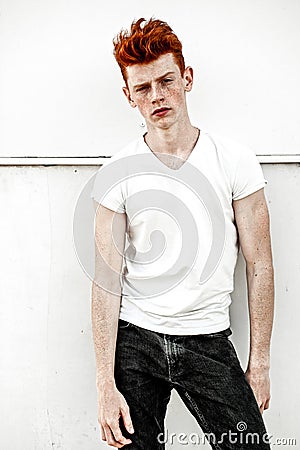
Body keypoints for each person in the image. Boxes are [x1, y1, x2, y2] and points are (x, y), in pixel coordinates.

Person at [90, 17, 274, 449]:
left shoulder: (235, 161)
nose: (157, 96)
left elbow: (260, 263)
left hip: (207, 340)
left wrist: (260, 363)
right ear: (128, 96)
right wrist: (103, 385)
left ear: (186, 78)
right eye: (142, 88)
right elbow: (105, 281)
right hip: (136, 342)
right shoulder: (117, 173)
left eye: (166, 80)